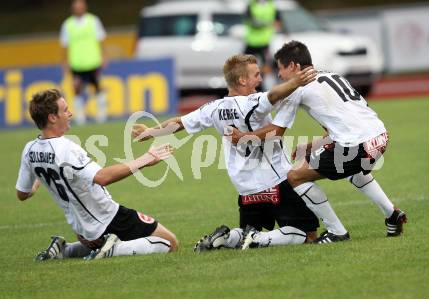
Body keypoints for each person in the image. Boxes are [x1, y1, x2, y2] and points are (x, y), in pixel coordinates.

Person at [132, 54, 331, 252]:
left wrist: (150, 132)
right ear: (242, 80)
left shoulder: (213, 108)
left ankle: (227, 238)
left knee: (244, 233)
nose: (260, 79)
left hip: (245, 188)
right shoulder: (251, 102)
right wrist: (296, 81)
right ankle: (256, 238)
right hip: (276, 181)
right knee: (307, 235)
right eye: (256, 75)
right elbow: (273, 95)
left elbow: (179, 123)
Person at [229, 40, 407, 243]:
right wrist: (312, 145)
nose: (279, 75)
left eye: (281, 68)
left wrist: (242, 137)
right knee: (354, 171)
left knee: (295, 176)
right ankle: (391, 214)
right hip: (380, 136)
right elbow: (341, 125)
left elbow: (276, 132)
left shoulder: (297, 88)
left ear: (294, 66)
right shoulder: (332, 75)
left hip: (357, 145)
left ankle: (337, 231)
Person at [16, 89, 178, 261]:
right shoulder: (66, 148)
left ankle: (64, 250)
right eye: (65, 110)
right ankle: (113, 249)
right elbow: (102, 177)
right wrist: (146, 158)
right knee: (170, 243)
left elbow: (22, 194)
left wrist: (38, 182)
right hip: (107, 217)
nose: (70, 113)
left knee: (133, 241)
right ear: (52, 117)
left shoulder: (30, 150)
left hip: (81, 228)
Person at [60, 0, 107, 125]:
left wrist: (104, 57)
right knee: (77, 90)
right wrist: (65, 63)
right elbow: (64, 46)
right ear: (72, 9)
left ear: (85, 7)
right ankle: (80, 117)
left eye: (80, 7)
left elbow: (101, 39)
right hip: (77, 64)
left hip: (93, 61)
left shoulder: (93, 20)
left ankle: (101, 115)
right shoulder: (68, 24)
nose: (78, 9)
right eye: (76, 7)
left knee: (98, 88)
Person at [243, 0, 281, 90]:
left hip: (265, 42)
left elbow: (278, 23)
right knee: (244, 66)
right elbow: (250, 21)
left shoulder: (272, 6)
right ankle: (248, 88)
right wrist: (267, 23)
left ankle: (263, 89)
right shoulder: (251, 5)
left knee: (266, 67)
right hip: (251, 41)